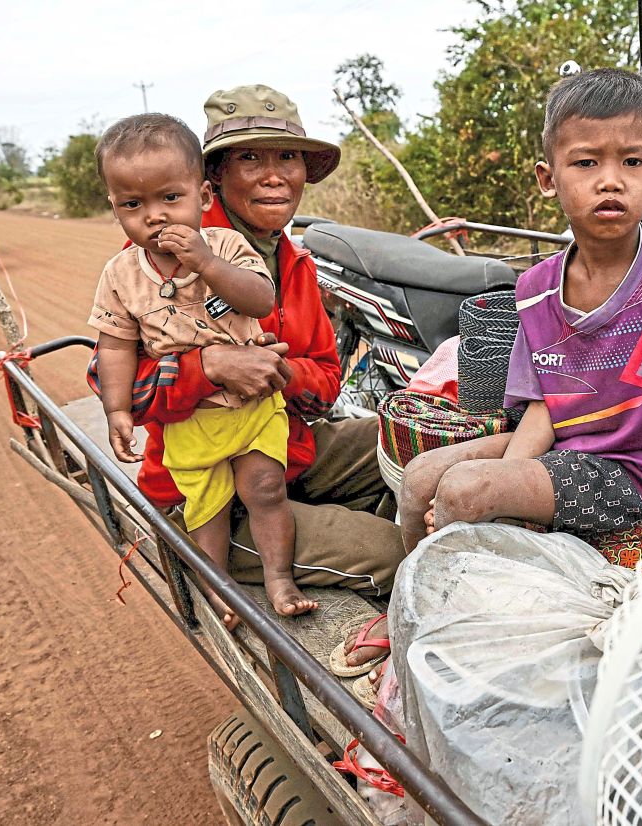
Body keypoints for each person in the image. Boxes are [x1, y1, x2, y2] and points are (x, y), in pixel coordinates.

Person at [86, 87, 403, 661]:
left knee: (401, 440)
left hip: (282, 441)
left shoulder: (296, 262)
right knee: (388, 549)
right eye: (251, 158)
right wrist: (209, 366)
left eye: (288, 158)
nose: (273, 176)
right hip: (204, 484)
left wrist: (277, 371)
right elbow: (108, 374)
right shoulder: (158, 253)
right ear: (214, 178)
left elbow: (329, 379)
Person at [398, 68, 642, 554]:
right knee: (421, 476)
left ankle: (461, 593)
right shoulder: (535, 289)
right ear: (549, 179)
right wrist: (512, 474)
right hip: (566, 444)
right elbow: (544, 406)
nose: (610, 181)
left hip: (639, 469)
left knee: (465, 491)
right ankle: (414, 600)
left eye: (633, 162)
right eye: (586, 162)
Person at [89, 114, 315, 623]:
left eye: (170, 199)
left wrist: (208, 264)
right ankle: (220, 588)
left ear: (202, 196)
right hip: (189, 420)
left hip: (254, 410)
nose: (154, 217)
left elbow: (259, 300)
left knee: (264, 488)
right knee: (205, 506)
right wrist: (117, 408)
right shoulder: (122, 274)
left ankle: (280, 578)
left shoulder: (230, 249)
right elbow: (116, 346)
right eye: (133, 204)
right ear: (116, 209)